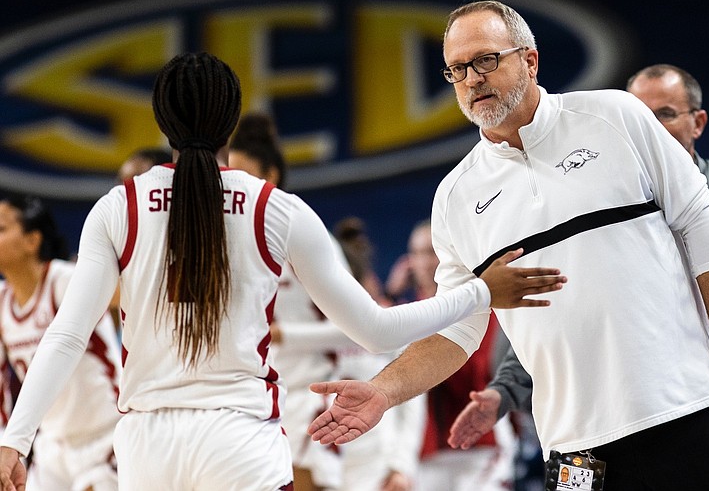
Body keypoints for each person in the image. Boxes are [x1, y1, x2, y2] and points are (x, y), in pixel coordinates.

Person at [0, 52, 566, 491]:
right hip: (240, 441)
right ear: (230, 124)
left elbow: (67, 336)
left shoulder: (117, 208)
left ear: (160, 120)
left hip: (147, 446)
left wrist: (14, 441)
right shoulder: (274, 207)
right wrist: (479, 292)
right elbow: (374, 329)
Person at [306, 1, 709, 490]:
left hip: (686, 407)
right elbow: (456, 333)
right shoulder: (456, 197)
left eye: (486, 60)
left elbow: (699, 222)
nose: (472, 79)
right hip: (574, 453)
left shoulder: (616, 115)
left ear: (529, 60)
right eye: (457, 69)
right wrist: (383, 391)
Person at [448, 63, 709, 491]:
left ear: (698, 122)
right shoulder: (590, 191)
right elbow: (555, 324)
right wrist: (503, 392)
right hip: (578, 444)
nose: (649, 125)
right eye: (641, 112)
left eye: (666, 113)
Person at [229, 112, 356, 491]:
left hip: (309, 398)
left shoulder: (304, 234)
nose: (234, 185)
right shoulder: (232, 243)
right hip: (252, 404)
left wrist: (284, 335)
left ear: (270, 175)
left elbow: (354, 332)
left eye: (243, 174)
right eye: (228, 176)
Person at [0, 194, 121, 491]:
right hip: (51, 447)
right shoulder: (2, 302)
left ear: (32, 241)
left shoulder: (66, 281)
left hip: (104, 439)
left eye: (1, 228)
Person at [385, 219, 515, 490]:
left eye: (431, 252)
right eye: (417, 254)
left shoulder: (478, 310)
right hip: (430, 453)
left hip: (482, 445)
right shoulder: (408, 315)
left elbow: (477, 372)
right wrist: (389, 296)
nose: (424, 262)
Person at [333, 216, 426, 491]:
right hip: (327, 466)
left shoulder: (386, 324)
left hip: (378, 469)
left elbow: (413, 400)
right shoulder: (306, 330)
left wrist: (401, 466)